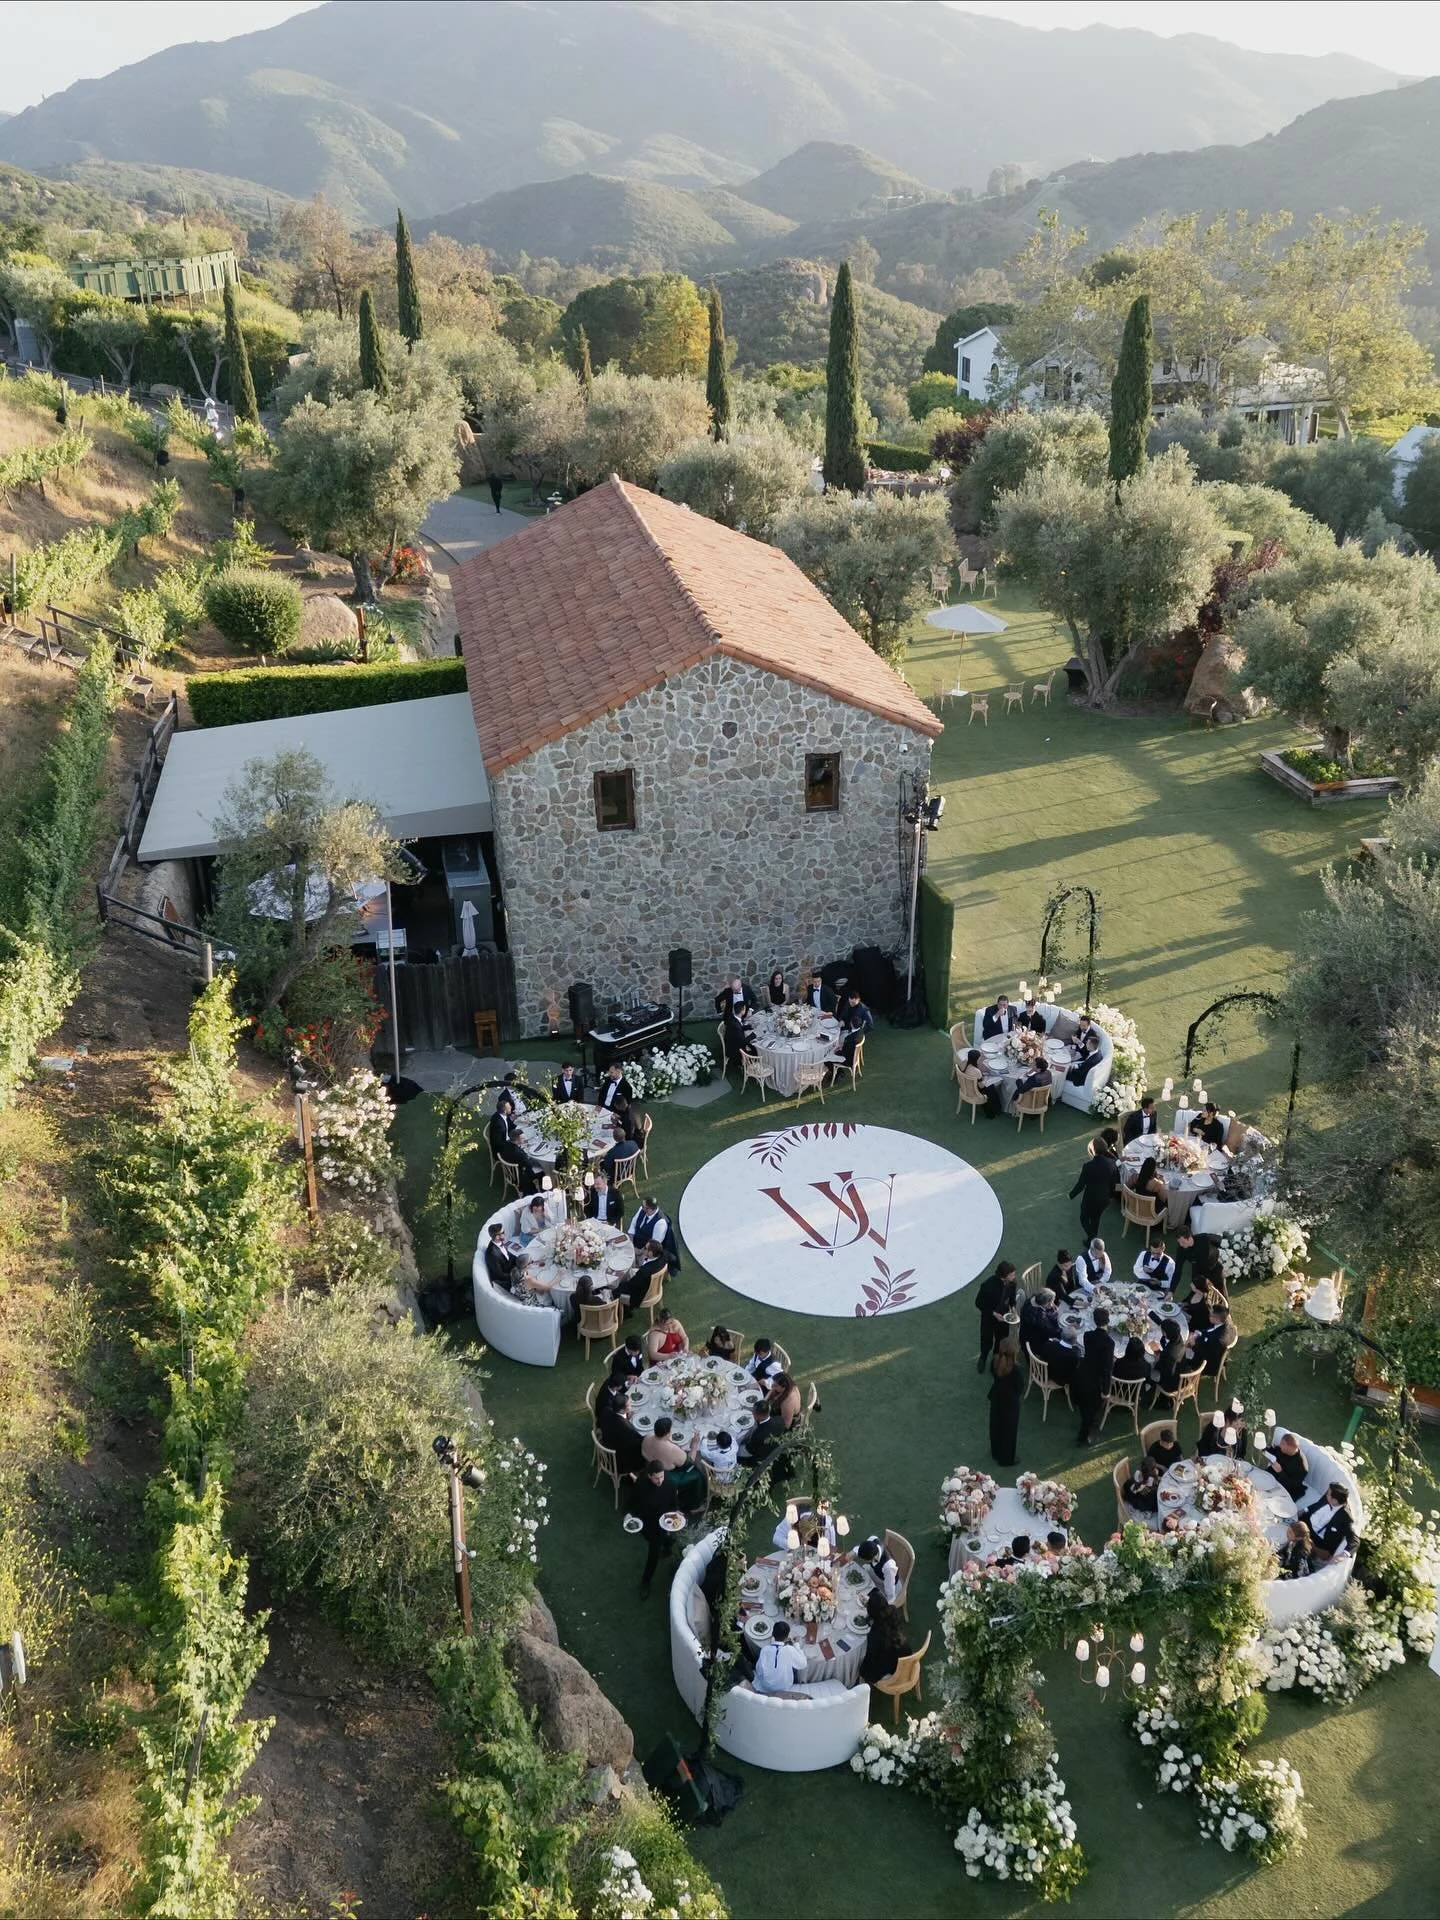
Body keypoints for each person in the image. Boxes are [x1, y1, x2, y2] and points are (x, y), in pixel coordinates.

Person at [627, 1460, 681, 1597]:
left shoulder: (669, 1484)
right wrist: (628, 1515)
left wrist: (675, 1514)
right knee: (658, 1546)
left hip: (664, 1522)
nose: (660, 1480)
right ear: (649, 1476)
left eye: (662, 1476)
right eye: (656, 1478)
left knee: (654, 1553)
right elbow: (632, 1502)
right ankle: (647, 1581)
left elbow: (673, 1505)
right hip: (647, 1524)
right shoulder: (640, 1485)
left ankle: (646, 1581)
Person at [1075, 1306, 1114, 1446]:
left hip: (1083, 1374)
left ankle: (1087, 1423)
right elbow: (1107, 1369)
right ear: (1108, 1321)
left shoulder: (1087, 1336)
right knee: (1090, 1411)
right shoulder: (1109, 1343)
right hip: (1094, 1382)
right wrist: (1106, 1391)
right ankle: (1083, 1438)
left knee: (1085, 1407)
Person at [974, 1261, 1019, 1372]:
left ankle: (996, 1361)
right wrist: (993, 1313)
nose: (1014, 1276)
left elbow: (1012, 1299)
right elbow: (978, 1303)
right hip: (989, 1319)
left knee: (1001, 1340)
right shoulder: (987, 1286)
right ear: (1004, 1276)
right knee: (986, 1341)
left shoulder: (1012, 1283)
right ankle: (983, 1359)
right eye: (1012, 1274)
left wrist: (1013, 1308)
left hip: (1004, 1317)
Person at [1069, 1144, 1120, 1242]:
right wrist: (1110, 1196)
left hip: (1090, 1199)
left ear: (1094, 1151)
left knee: (1083, 1218)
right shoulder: (1112, 1163)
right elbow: (1114, 1183)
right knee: (1095, 1218)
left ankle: (1093, 1239)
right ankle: (1091, 1240)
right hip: (1104, 1200)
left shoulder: (1088, 1166)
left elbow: (1081, 1185)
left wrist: (1071, 1195)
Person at [859, 1592, 911, 1685]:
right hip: (906, 1658)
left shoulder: (875, 1635)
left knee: (863, 1669)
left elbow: (870, 1657)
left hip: (892, 1670)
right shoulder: (892, 1613)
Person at [598, 1380, 645, 1475]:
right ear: (621, 1410)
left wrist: (626, 1416)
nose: (631, 1406)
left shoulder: (606, 1410)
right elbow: (640, 1442)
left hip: (608, 1443)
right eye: (629, 1405)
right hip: (621, 1460)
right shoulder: (627, 1428)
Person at [989, 1338, 1023, 1466]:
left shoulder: (995, 1362)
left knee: (996, 1426)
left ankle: (996, 1452)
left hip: (996, 1398)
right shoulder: (1015, 1371)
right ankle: (1006, 1459)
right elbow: (1019, 1388)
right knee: (1009, 1430)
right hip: (1010, 1403)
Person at [1301, 1484, 1356, 1563]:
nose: (1326, 1495)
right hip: (1307, 1523)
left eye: (1328, 1494)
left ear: (1335, 1500)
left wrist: (1344, 1555)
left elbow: (1354, 1540)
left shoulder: (1345, 1517)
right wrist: (1304, 1510)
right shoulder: (1329, 1497)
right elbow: (1317, 1504)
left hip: (1317, 1539)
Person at [752, 1619, 808, 1695]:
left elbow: (759, 1671)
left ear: (772, 1634)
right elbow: (803, 1664)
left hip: (766, 1686)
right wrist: (796, 1645)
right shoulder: (789, 1649)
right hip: (785, 1687)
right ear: (787, 1637)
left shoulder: (765, 1650)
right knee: (794, 1666)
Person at [617, 1239, 666, 1314]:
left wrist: (615, 1289)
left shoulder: (644, 1272)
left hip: (641, 1295)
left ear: (651, 1253)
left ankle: (626, 1311)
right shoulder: (663, 1257)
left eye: (646, 1248)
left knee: (616, 1289)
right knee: (630, 1272)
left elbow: (631, 1286)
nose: (643, 1249)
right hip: (654, 1285)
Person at [1261, 1430, 1311, 1501]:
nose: (1280, 1446)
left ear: (1290, 1447)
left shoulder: (1302, 1467)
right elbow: (1272, 1450)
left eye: (1282, 1444)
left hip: (1287, 1486)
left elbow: (1292, 1485)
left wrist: (1280, 1472)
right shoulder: (1282, 1450)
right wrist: (1262, 1446)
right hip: (1274, 1475)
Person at [1172, 1228, 1222, 1294]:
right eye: (1179, 1242)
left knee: (1219, 1296)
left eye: (1183, 1242)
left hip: (1215, 1268)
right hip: (1198, 1272)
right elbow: (1178, 1270)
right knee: (1197, 1298)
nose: (1181, 1244)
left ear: (1189, 1238)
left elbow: (1221, 1241)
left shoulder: (1204, 1238)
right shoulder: (1181, 1250)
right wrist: (1171, 1291)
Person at [857, 1535, 901, 1606]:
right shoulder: (873, 1539)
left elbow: (890, 1592)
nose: (864, 1561)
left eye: (865, 1560)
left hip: (888, 1584)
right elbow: (863, 1548)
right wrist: (853, 1552)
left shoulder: (888, 1567)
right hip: (878, 1572)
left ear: (872, 1558)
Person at [1190, 1303, 1231, 1377]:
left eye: (1210, 1315)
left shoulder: (1217, 1340)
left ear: (1217, 1319)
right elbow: (1209, 1331)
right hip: (1208, 1348)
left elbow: (1207, 1355)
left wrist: (1193, 1345)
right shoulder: (1223, 1322)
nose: (1208, 1316)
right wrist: (1198, 1333)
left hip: (1208, 1364)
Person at [962, 1047, 1005, 1118]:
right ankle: (993, 1111)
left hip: (968, 1085)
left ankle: (994, 1110)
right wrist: (985, 1077)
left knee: (990, 1088)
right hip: (975, 1090)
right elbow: (981, 1086)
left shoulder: (966, 1063)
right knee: (991, 1089)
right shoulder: (976, 1071)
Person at [836, 988, 873, 1066]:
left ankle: (840, 1059)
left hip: (853, 1034)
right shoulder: (848, 1003)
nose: (851, 1004)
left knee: (835, 1044)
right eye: (850, 1002)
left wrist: (860, 1033)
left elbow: (870, 1026)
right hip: (845, 1029)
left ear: (858, 1000)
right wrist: (842, 1020)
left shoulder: (864, 1010)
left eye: (853, 1002)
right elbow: (843, 1013)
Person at [482, 1221, 522, 1293]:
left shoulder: (499, 1242)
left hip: (511, 1271)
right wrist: (516, 1276)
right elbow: (500, 1275)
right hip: (505, 1281)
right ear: (497, 1236)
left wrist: (520, 1260)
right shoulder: (492, 1254)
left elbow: (508, 1255)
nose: (504, 1234)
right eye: (503, 1233)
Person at [1019, 1287, 1059, 1355]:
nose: (1052, 1304)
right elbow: (1052, 1331)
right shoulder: (1039, 1317)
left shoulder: (1032, 1299)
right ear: (1046, 1303)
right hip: (1035, 1343)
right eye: (1052, 1301)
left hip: (1025, 1334)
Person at [1129, 1155, 1168, 1219]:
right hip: (1152, 1215)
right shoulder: (1158, 1185)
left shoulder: (1135, 1177)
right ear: (1153, 1170)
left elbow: (1127, 1187)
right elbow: (1163, 1199)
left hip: (1136, 1208)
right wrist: (1162, 1181)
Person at [1153, 1328, 1188, 1399]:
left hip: (1171, 1384)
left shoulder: (1169, 1352)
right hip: (1182, 1377)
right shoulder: (1180, 1342)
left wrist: (1157, 1357)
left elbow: (1159, 1367)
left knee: (1150, 1368)